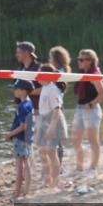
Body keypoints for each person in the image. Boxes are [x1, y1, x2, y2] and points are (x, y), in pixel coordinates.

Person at [72, 49, 103, 178]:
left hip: (91, 109)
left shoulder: (94, 74)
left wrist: (91, 104)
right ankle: (79, 167)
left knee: (93, 140)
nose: (79, 62)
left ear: (90, 61)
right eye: (78, 59)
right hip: (79, 107)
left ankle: (93, 167)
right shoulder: (83, 73)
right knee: (76, 139)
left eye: (81, 60)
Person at [37, 61, 67, 190]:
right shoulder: (45, 87)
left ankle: (55, 182)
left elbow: (57, 109)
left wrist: (51, 127)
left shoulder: (53, 88)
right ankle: (48, 178)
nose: (36, 76)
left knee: (52, 152)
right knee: (43, 151)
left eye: (39, 74)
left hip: (54, 122)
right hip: (45, 121)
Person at [6, 80, 35, 200]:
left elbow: (23, 126)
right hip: (27, 138)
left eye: (16, 88)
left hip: (20, 139)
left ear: (23, 91)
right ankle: (26, 191)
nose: (14, 90)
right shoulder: (29, 103)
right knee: (26, 164)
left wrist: (10, 134)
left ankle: (16, 193)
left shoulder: (22, 106)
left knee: (19, 166)